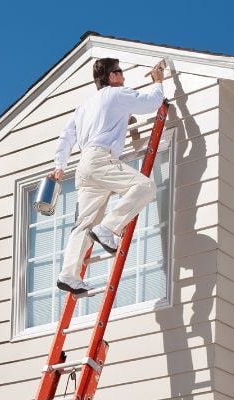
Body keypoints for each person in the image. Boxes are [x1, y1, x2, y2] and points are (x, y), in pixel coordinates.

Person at [52, 58, 165, 295]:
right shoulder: (117, 94)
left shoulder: (83, 108)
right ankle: (108, 228)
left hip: (83, 166)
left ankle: (68, 275)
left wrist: (59, 165)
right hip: (101, 159)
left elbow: (66, 137)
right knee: (145, 187)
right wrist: (158, 81)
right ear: (112, 77)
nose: (123, 77)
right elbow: (152, 102)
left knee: (83, 224)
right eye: (121, 73)